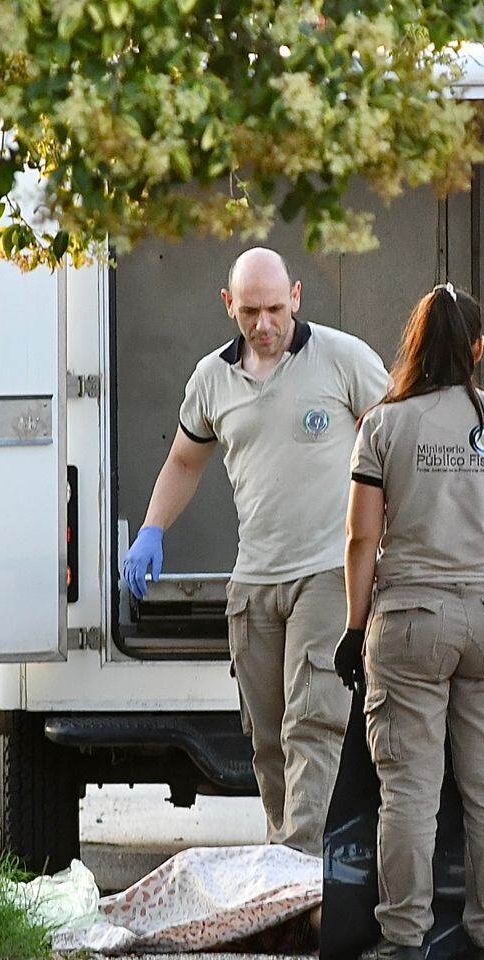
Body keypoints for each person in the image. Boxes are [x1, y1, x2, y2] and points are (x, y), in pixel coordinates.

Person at [122, 247, 387, 855]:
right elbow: (185, 462)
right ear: (228, 307)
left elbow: (394, 442)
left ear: (296, 296)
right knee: (266, 736)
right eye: (249, 312)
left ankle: (299, 873)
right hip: (255, 580)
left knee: (313, 722)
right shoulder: (212, 378)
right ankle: (283, 857)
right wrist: (151, 530)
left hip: (329, 572)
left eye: (274, 309)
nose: (264, 325)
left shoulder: (344, 360)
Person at [337, 284, 484, 960]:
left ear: (414, 348)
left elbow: (361, 535)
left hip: (411, 624)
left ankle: (402, 940)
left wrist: (353, 624)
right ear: (478, 349)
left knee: (409, 788)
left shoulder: (384, 425)